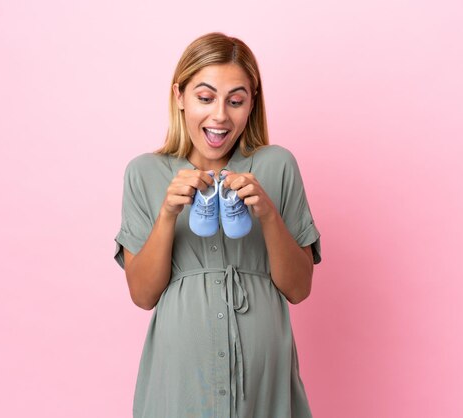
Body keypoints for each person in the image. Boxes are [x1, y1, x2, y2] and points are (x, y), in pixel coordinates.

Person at [114, 32, 322, 418]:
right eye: (205, 98)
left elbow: (299, 288)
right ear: (179, 96)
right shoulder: (144, 173)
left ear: (251, 104)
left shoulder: (277, 166)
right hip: (179, 386)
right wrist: (167, 215)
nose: (220, 115)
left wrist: (268, 215)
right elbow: (143, 295)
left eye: (236, 100)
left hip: (265, 386)